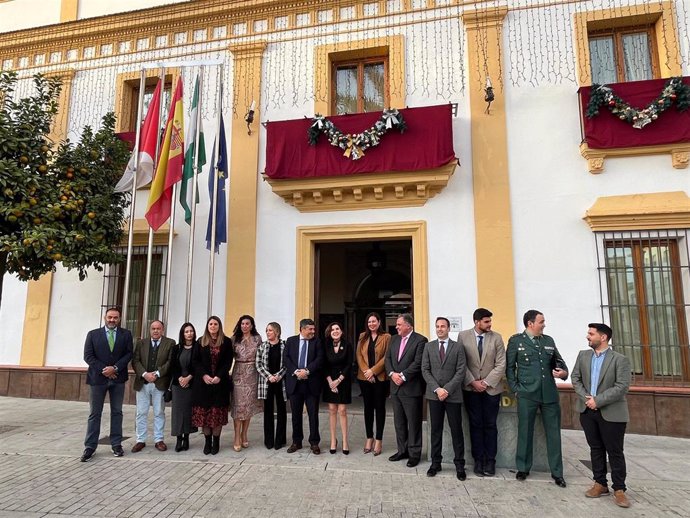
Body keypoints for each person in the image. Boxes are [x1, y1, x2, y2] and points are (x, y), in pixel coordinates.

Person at [571, 323, 632, 508]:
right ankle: (600, 483)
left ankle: (619, 489)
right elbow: (575, 378)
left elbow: (622, 386)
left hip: (611, 413)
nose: (587, 337)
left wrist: (598, 400)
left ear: (603, 337)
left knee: (615, 451)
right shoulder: (583, 355)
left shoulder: (620, 360)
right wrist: (587, 399)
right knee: (595, 448)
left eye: (591, 334)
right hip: (587, 411)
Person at [506, 309, 568, 487]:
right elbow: (510, 368)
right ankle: (523, 468)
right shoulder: (516, 341)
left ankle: (557, 472)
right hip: (527, 394)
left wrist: (563, 373)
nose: (544, 324)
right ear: (530, 323)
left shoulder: (548, 341)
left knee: (554, 434)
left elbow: (560, 362)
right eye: (541, 322)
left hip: (549, 394)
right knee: (525, 431)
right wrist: (515, 389)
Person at [81, 307, 133, 462]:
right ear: (105, 317)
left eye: (115, 318)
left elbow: (129, 353)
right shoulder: (93, 334)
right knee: (94, 413)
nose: (112, 320)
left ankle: (116, 444)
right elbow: (88, 356)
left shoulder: (126, 334)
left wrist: (115, 368)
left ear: (119, 318)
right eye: (110, 317)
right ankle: (90, 446)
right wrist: (104, 369)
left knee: (117, 412)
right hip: (98, 379)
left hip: (118, 379)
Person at [458, 308, 506, 477]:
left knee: (491, 425)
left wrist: (485, 383)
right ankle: (478, 460)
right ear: (476, 322)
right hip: (471, 389)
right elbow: (461, 362)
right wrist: (472, 381)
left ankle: (491, 461)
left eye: (490, 321)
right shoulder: (463, 337)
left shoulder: (497, 338)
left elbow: (501, 364)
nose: (489, 324)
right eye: (486, 321)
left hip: (491, 390)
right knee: (475, 425)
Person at [422, 317, 468, 480]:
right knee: (435, 430)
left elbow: (461, 371)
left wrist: (446, 389)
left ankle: (460, 466)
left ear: (449, 328)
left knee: (457, 430)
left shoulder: (458, 347)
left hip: (453, 395)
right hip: (434, 395)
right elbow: (425, 369)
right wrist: (437, 389)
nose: (440, 329)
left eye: (443, 326)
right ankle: (435, 463)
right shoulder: (428, 347)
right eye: (437, 326)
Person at [385, 313, 428, 468]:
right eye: (397, 324)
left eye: (399, 324)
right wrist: (392, 374)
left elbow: (418, 363)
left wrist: (402, 376)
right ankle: (402, 450)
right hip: (395, 388)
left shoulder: (420, 340)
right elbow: (388, 359)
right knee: (399, 423)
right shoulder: (394, 339)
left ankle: (414, 454)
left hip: (411, 388)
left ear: (409, 325)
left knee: (414, 422)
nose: (396, 327)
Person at [191, 316, 234, 455]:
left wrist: (219, 376)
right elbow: (195, 361)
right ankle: (207, 442)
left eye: (216, 324)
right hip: (203, 385)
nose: (213, 326)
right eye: (211, 324)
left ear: (219, 326)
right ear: (207, 326)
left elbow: (228, 361)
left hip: (219, 385)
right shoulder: (200, 341)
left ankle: (216, 442)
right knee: (205, 415)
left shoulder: (226, 342)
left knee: (216, 415)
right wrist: (204, 375)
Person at [131, 320, 175, 453]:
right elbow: (135, 361)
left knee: (159, 412)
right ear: (150, 330)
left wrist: (156, 373)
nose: (155, 331)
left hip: (159, 383)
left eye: (158, 328)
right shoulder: (141, 343)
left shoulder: (170, 343)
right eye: (153, 328)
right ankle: (140, 440)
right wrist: (145, 374)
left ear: (163, 330)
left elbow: (170, 362)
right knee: (141, 412)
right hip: (143, 383)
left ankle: (159, 440)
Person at [284, 318, 324, 454]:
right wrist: (296, 371)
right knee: (296, 414)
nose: (313, 331)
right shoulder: (291, 341)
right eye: (310, 329)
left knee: (313, 415)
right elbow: (286, 358)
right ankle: (297, 442)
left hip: (311, 383)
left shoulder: (317, 342)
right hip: (295, 384)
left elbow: (320, 359)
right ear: (302, 329)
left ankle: (314, 442)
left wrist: (307, 371)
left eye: (314, 329)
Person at [356, 312, 391, 456]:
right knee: (368, 409)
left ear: (379, 322)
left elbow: (386, 356)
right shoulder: (362, 336)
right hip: (365, 378)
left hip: (380, 378)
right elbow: (358, 355)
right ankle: (369, 438)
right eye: (369, 322)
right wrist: (366, 372)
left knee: (380, 408)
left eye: (374, 321)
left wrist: (373, 371)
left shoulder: (387, 337)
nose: (372, 324)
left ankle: (379, 440)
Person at [230, 315, 263, 451]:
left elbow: (262, 355)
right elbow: (228, 356)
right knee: (239, 406)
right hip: (238, 373)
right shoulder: (234, 339)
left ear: (251, 325)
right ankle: (237, 435)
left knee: (248, 406)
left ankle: (244, 434)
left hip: (252, 374)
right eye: (242, 323)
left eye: (247, 323)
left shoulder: (257, 338)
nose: (244, 326)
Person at [322, 322, 353, 455]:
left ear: (341, 331)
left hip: (343, 380)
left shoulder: (348, 345)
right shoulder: (325, 345)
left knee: (342, 410)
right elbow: (323, 364)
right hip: (329, 379)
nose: (335, 331)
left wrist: (338, 381)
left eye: (337, 329)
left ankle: (345, 441)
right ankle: (333, 441)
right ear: (329, 332)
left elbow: (349, 364)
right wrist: (330, 382)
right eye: (332, 329)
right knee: (332, 409)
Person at [256, 322, 287, 450]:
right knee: (268, 412)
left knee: (282, 412)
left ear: (277, 332)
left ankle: (280, 440)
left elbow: (287, 363)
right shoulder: (262, 346)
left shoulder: (285, 345)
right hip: (267, 383)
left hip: (281, 382)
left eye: (270, 330)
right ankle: (268, 440)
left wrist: (278, 375)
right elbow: (258, 364)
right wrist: (269, 376)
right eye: (267, 330)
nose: (268, 332)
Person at [170, 322, 197, 452]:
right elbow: (173, 366)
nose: (189, 334)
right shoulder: (176, 348)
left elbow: (198, 365)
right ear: (182, 333)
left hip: (191, 384)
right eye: (186, 331)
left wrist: (189, 377)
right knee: (177, 412)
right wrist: (180, 378)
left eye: (191, 331)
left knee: (188, 412)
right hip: (178, 385)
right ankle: (178, 439)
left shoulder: (197, 347)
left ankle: (186, 438)